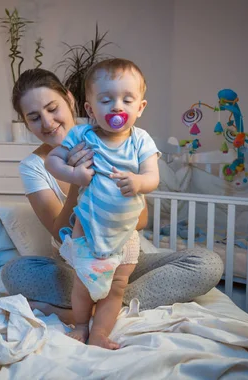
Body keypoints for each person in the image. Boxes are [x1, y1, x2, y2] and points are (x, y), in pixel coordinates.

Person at [2, 66, 224, 349]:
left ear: (70, 100)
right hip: (77, 263)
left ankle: (90, 307)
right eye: (34, 117)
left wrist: (129, 183)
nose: (47, 122)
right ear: (26, 123)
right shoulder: (34, 166)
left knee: (207, 264)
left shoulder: (124, 139)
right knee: (14, 271)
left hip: (125, 255)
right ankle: (103, 304)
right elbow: (60, 235)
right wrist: (77, 181)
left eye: (52, 108)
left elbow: (141, 220)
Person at [44, 58, 160, 347]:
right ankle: (81, 324)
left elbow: (152, 178)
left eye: (127, 99)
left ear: (140, 108)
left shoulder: (141, 141)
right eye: (106, 100)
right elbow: (52, 160)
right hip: (87, 229)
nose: (117, 106)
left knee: (116, 287)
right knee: (84, 284)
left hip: (125, 237)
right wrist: (75, 175)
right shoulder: (83, 136)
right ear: (90, 108)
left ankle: (100, 333)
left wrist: (138, 182)